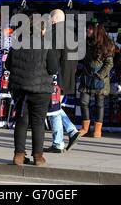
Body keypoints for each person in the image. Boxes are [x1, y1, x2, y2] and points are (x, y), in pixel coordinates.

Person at [5, 16, 60, 166]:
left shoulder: (16, 45)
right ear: (41, 29)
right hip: (41, 91)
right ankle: (38, 157)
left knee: (21, 122)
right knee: (38, 123)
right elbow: (53, 69)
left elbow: (8, 66)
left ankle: (19, 155)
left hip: (20, 90)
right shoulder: (46, 45)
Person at [44, 9, 81, 153]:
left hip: (56, 77)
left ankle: (58, 142)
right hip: (69, 77)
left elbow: (50, 58)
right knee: (55, 106)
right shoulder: (73, 34)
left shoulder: (52, 34)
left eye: (49, 19)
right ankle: (71, 131)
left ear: (53, 20)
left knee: (53, 109)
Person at [78, 23, 114, 138]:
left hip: (99, 79)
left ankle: (97, 130)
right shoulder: (86, 43)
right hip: (87, 77)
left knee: (99, 104)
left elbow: (109, 63)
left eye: (90, 29)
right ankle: (85, 128)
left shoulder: (106, 44)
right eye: (88, 28)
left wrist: (100, 74)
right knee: (84, 102)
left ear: (97, 30)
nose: (88, 30)